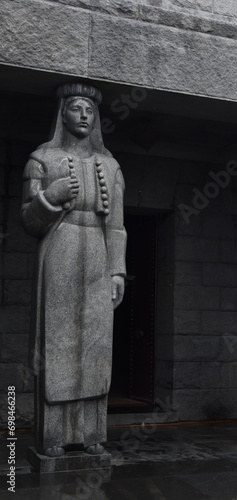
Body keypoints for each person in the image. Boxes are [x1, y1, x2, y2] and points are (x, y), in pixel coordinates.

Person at [22, 83, 127, 457]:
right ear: (62, 114)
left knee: (95, 344)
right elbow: (28, 221)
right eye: (76, 108)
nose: (84, 115)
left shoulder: (111, 166)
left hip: (97, 249)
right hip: (61, 247)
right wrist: (49, 198)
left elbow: (116, 225)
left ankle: (92, 434)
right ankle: (53, 437)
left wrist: (117, 270)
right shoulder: (41, 161)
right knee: (60, 344)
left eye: (89, 110)